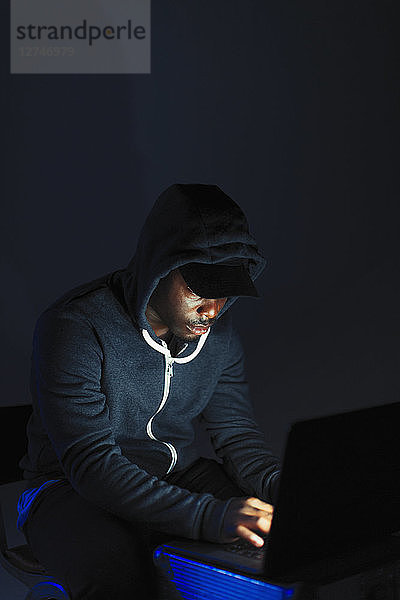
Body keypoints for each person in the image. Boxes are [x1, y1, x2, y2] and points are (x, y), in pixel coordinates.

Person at [18, 184, 280, 599]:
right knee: (125, 579)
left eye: (226, 287)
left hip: (177, 474)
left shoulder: (221, 336)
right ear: (158, 266)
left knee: (278, 545)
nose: (212, 309)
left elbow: (238, 436)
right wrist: (209, 516)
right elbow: (91, 465)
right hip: (67, 490)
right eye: (199, 286)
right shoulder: (74, 326)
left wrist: (285, 488)